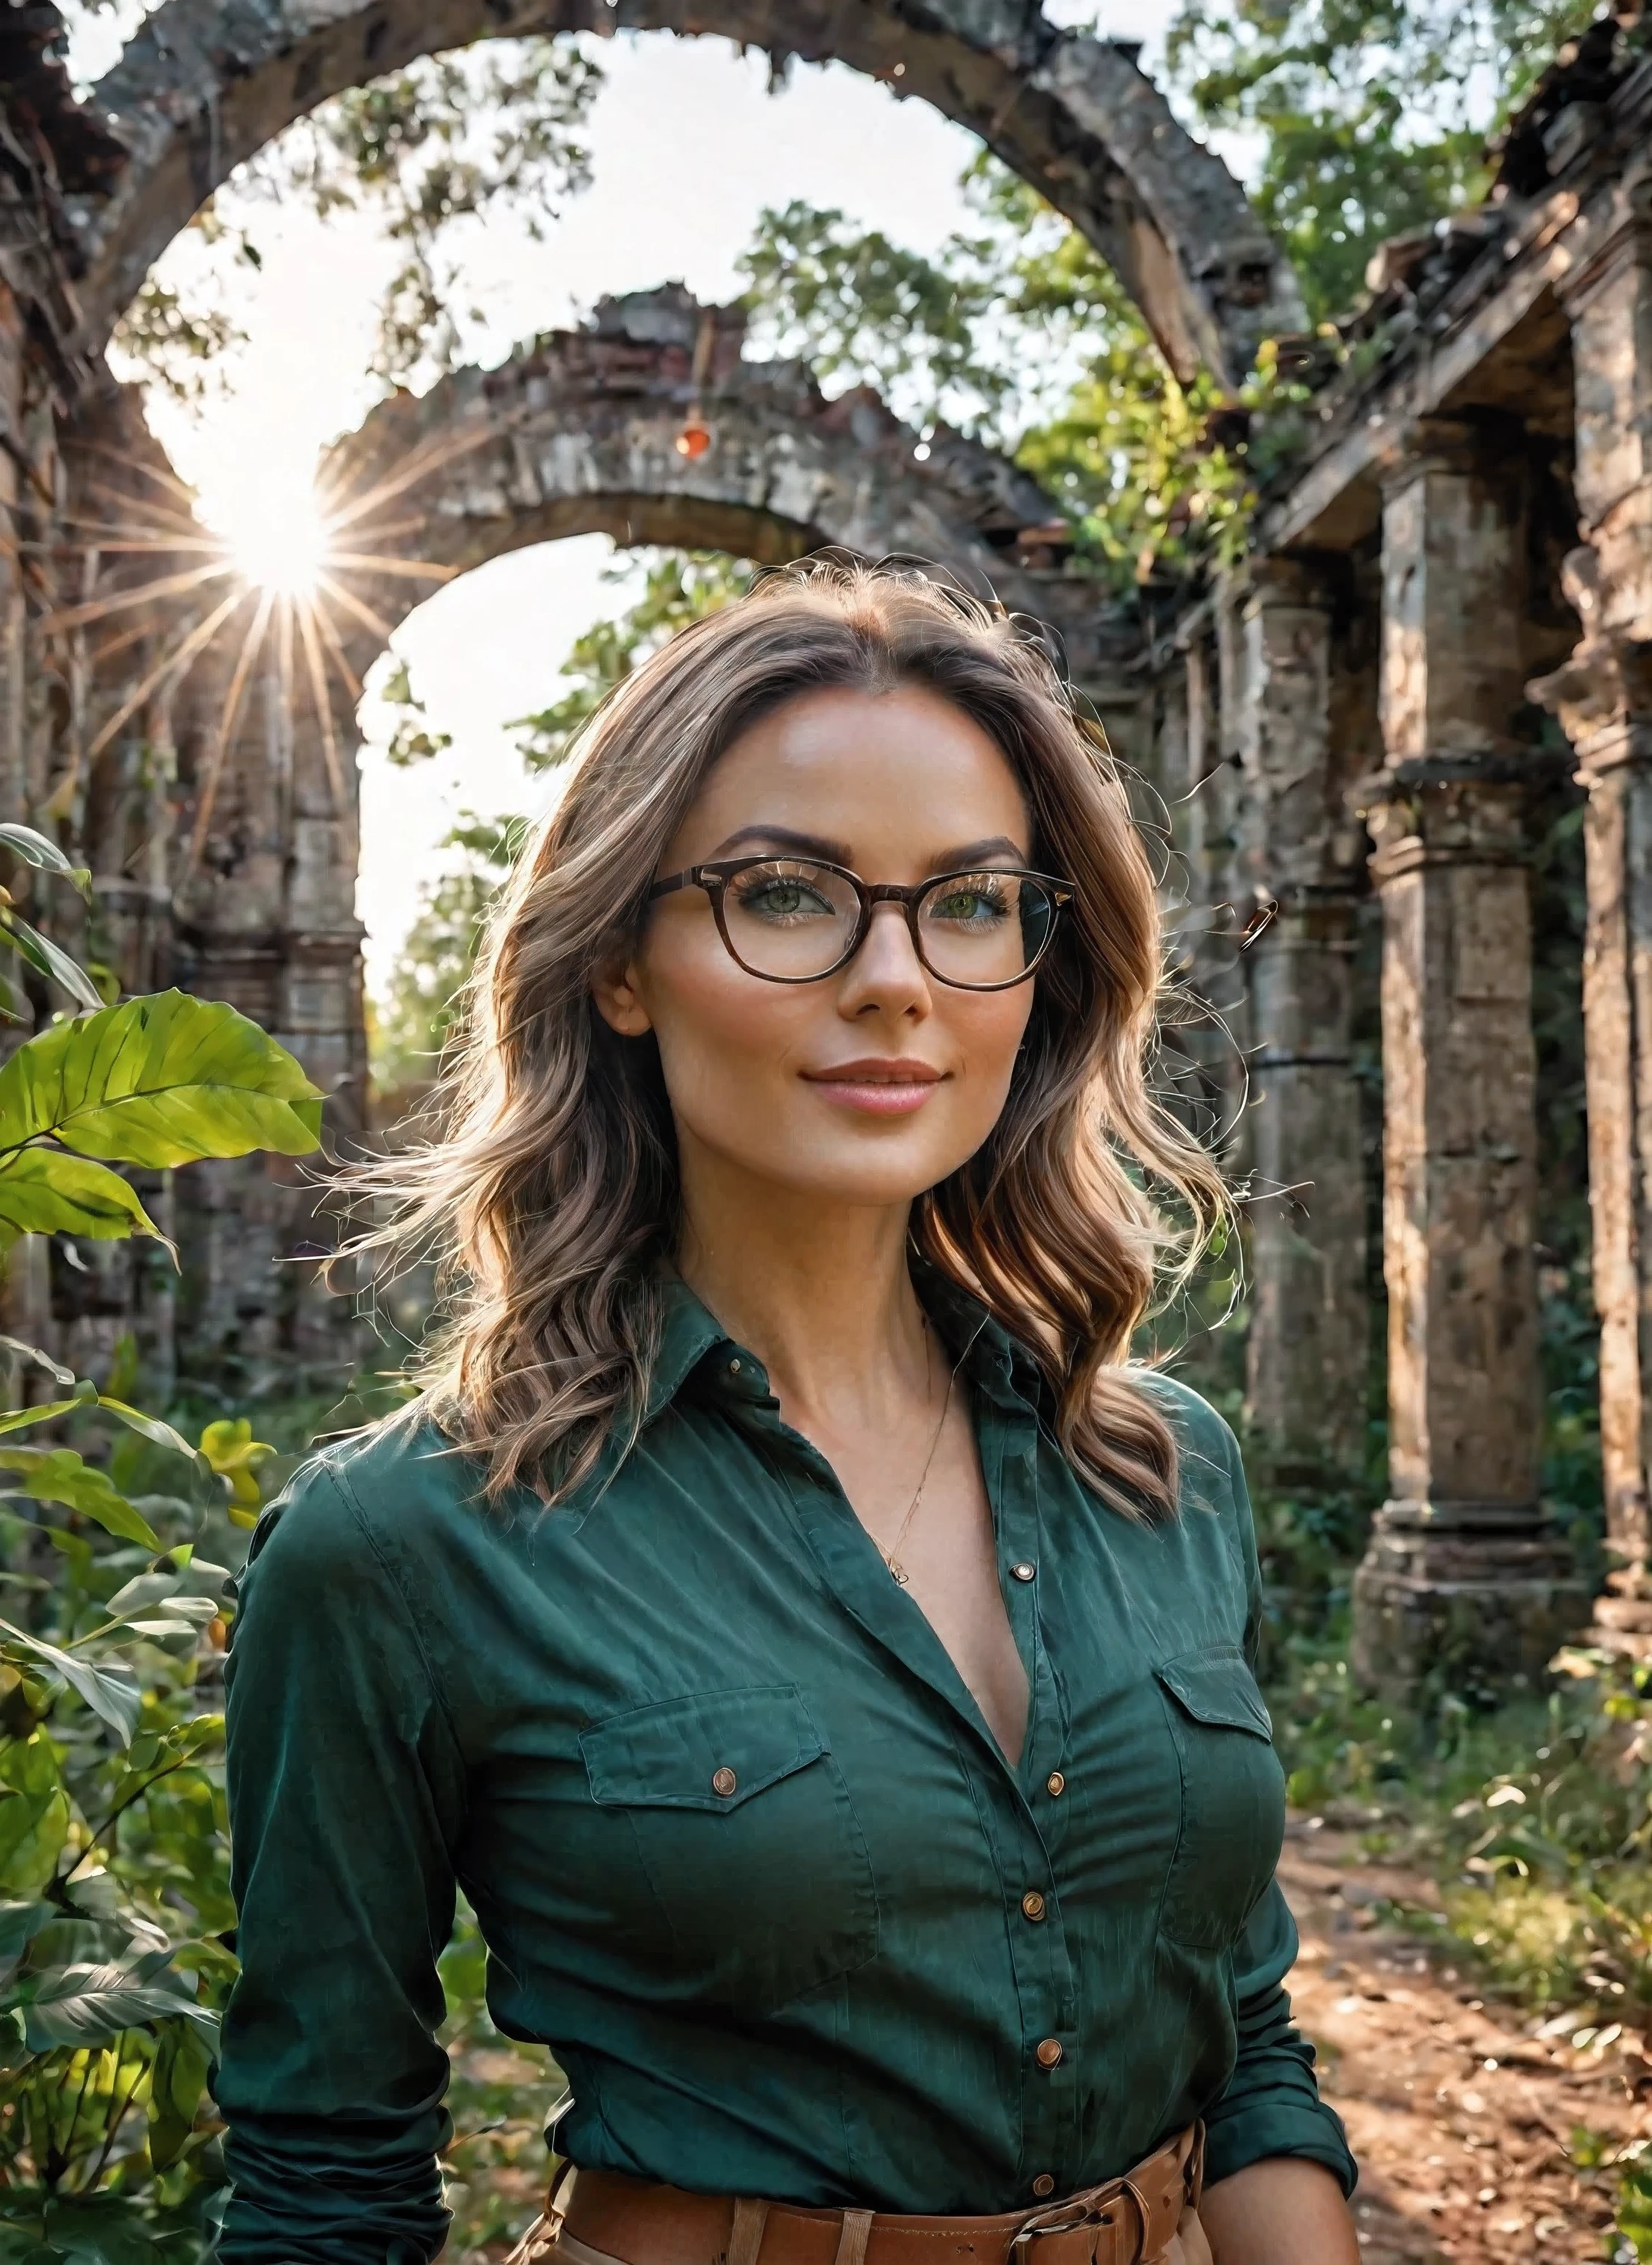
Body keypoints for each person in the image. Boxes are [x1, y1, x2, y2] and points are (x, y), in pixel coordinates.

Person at [212, 559, 1359, 2265]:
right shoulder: (403, 1546)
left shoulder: (1161, 1464)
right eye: (787, 894)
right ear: (618, 962)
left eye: (972, 902)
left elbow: (1245, 2034)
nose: (897, 979)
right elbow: (327, 2192)